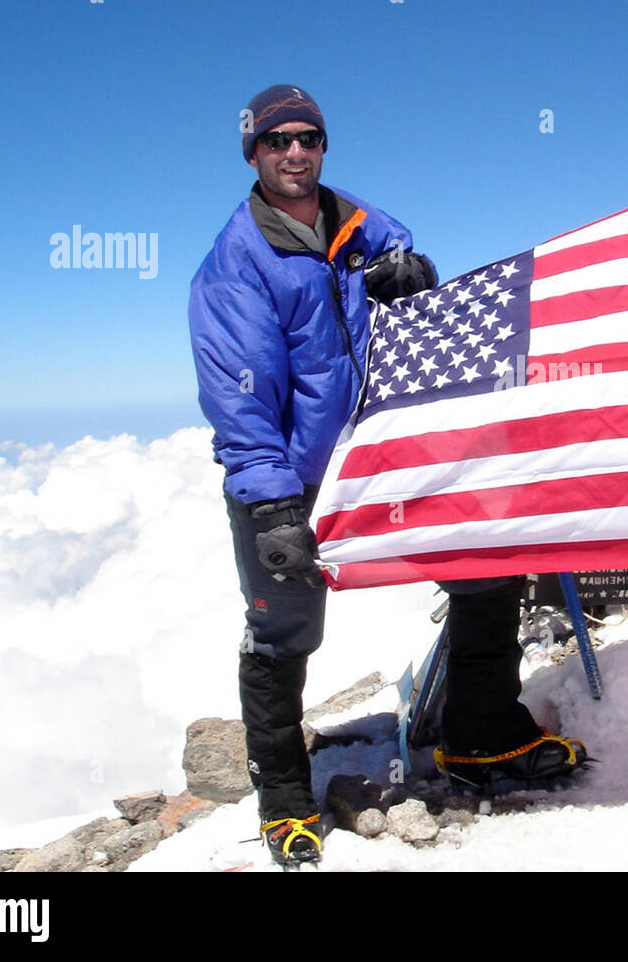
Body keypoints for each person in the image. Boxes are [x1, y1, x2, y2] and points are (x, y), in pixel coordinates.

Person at [189, 85, 581, 867]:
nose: (294, 152)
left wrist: (414, 278)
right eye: (277, 142)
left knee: (482, 566)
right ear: (254, 154)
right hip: (294, 480)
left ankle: (480, 736)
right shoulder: (235, 266)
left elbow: (411, 300)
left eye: (308, 138)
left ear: (323, 147)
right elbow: (242, 401)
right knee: (284, 629)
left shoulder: (362, 228)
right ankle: (287, 802)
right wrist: (270, 508)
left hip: (388, 456)